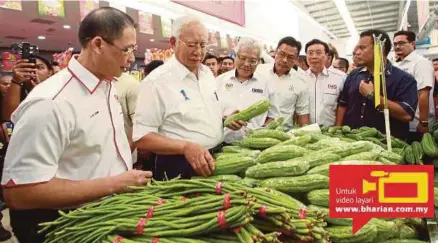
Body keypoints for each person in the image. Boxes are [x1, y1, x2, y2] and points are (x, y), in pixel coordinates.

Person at [2, 7, 152, 243]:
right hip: (66, 226)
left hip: (105, 215)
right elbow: (20, 193)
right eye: (127, 49)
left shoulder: (108, 83)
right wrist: (114, 183)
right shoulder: (50, 102)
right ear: (98, 44)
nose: (132, 58)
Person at [133, 15, 245, 181]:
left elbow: (208, 112)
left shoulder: (207, 74)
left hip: (216, 159)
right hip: (178, 166)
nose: (198, 52)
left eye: (203, 45)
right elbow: (142, 138)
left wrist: (227, 118)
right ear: (173, 42)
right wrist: (185, 147)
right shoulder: (157, 82)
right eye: (192, 45)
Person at [336, 29, 418, 141]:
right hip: (352, 142)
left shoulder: (404, 79)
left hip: (386, 145)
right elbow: (343, 105)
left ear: (380, 49)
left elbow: (406, 115)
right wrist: (338, 131)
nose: (357, 52)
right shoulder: (354, 75)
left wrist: (373, 96)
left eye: (362, 48)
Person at [217, 37, 281, 143]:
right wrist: (224, 120)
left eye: (252, 60)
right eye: (242, 58)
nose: (246, 64)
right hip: (221, 144)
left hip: (253, 146)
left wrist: (263, 130)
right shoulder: (219, 81)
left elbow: (274, 115)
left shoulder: (266, 84)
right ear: (235, 56)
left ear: (259, 61)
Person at [255, 36, 309, 129]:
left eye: (290, 57)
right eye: (281, 54)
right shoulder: (258, 71)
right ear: (275, 52)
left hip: (283, 133)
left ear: (296, 59)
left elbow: (302, 113)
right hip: (254, 130)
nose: (284, 60)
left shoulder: (301, 81)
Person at [393, 30, 435, 142]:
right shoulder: (396, 65)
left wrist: (424, 122)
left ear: (412, 44)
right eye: (395, 44)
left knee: (418, 156)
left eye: (401, 43)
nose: (397, 46)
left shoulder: (421, 63)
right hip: (401, 121)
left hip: (417, 123)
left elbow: (423, 94)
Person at [303, 39, 346, 126]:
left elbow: (344, 106)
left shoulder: (341, 78)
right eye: (310, 53)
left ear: (327, 56)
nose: (314, 56)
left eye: (318, 53)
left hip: (330, 133)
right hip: (305, 133)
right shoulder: (300, 78)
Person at [2, 55, 53, 122]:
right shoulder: (15, 89)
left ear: (50, 72)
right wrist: (16, 80)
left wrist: (38, 91)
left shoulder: (55, 89)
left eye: (39, 67)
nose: (34, 71)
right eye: (28, 68)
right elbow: (9, 118)